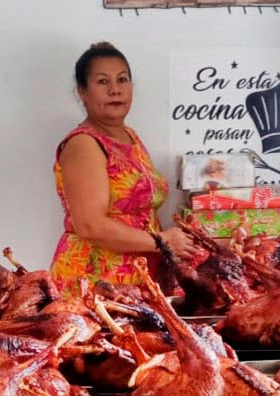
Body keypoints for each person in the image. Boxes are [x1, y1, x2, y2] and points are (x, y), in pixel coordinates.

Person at [50, 42, 195, 296]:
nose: (115, 90)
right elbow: (90, 226)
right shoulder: (84, 143)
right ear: (82, 91)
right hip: (96, 280)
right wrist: (163, 242)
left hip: (139, 274)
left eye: (122, 79)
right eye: (103, 82)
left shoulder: (129, 137)